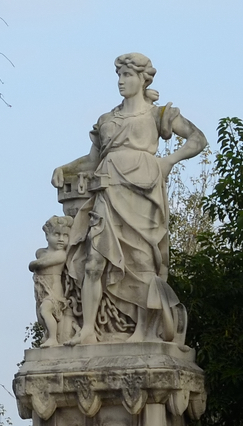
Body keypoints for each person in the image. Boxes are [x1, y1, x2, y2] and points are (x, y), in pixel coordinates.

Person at [51, 53, 206, 345]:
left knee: (142, 261)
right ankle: (88, 331)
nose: (121, 81)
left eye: (127, 75)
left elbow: (197, 140)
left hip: (143, 190)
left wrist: (169, 161)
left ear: (142, 78)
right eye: (119, 75)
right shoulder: (107, 119)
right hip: (108, 189)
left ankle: (144, 331)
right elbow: (92, 159)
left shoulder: (158, 114)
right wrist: (64, 169)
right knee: (95, 261)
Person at [30, 216, 75, 347]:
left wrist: (33, 263)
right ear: (47, 236)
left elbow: (39, 264)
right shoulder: (43, 252)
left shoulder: (60, 254)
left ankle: (53, 339)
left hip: (54, 292)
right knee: (40, 315)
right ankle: (47, 334)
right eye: (57, 234)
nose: (61, 239)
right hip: (41, 291)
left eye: (65, 235)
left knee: (45, 310)